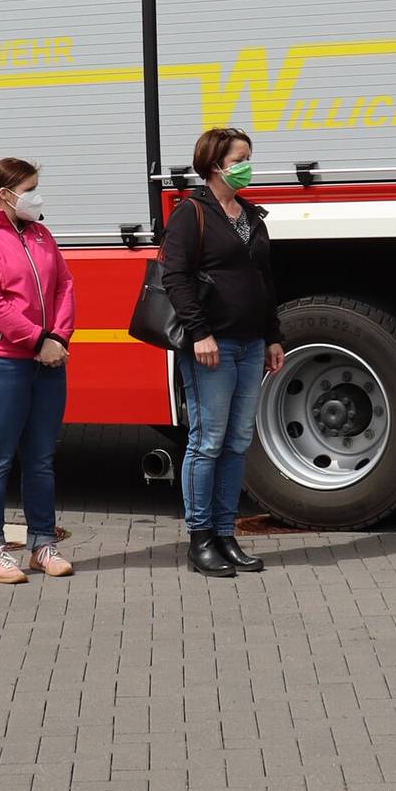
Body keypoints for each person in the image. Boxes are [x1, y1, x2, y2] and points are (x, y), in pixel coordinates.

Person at [160, 127, 285, 581]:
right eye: (240, 158)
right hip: (213, 345)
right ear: (215, 165)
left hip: (251, 344)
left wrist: (273, 336)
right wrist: (200, 334)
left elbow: (265, 281)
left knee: (237, 442)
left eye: (249, 157)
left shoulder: (251, 215)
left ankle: (225, 532)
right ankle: (201, 539)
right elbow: (174, 277)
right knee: (207, 441)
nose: (248, 165)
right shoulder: (191, 213)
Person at [0, 158, 77, 584]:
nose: (36, 195)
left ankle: (42, 545)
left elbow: (64, 284)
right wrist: (36, 340)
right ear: (5, 194)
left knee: (41, 459)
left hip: (47, 359)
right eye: (30, 188)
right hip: (0, 362)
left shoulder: (41, 234)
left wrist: (59, 337)